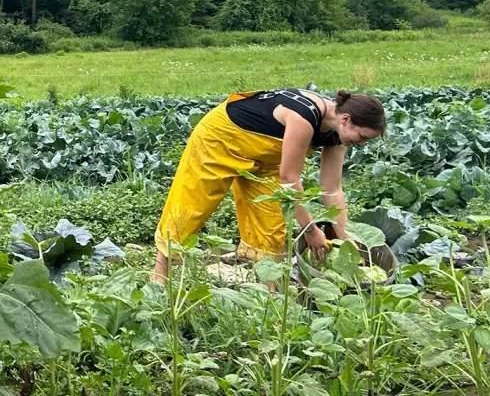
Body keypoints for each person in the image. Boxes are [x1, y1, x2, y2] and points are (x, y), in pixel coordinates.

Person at [152, 88, 386, 286]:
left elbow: (332, 188)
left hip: (265, 158)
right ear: (345, 119)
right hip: (221, 139)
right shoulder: (304, 117)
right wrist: (311, 230)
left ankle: (267, 290)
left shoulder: (338, 135)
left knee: (271, 221)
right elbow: (289, 179)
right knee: (192, 205)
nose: (362, 143)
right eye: (363, 136)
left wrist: (346, 237)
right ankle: (159, 276)